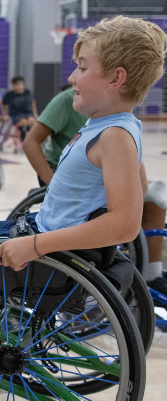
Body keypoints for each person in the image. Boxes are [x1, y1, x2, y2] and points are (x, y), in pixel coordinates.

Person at [0, 16, 167, 358]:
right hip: (42, 233)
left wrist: (34, 245)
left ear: (116, 78)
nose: (72, 77)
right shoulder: (116, 126)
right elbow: (139, 184)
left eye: (82, 67)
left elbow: (125, 224)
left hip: (48, 251)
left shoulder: (114, 136)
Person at [25, 86, 167, 303]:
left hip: (97, 173)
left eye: (83, 69)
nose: (74, 78)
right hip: (67, 178)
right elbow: (31, 142)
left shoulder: (116, 121)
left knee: (154, 198)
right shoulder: (66, 101)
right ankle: (148, 273)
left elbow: (140, 185)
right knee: (135, 206)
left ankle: (152, 273)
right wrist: (52, 183)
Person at [1, 75, 37, 142]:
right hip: (15, 114)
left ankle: (30, 139)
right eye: (16, 84)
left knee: (32, 121)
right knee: (23, 121)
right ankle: (24, 139)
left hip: (28, 113)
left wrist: (35, 114)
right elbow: (3, 104)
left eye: (20, 84)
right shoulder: (9, 95)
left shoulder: (28, 93)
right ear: (13, 85)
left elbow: (33, 103)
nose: (19, 86)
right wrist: (4, 115)